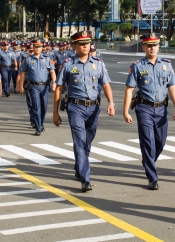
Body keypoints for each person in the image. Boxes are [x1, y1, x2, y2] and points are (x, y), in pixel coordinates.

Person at [53, 31, 115, 192]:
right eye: (81, 43)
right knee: (80, 140)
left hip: (94, 107)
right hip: (76, 107)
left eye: (87, 43)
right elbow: (59, 88)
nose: (85, 46)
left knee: (88, 140)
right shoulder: (68, 64)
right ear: (74, 46)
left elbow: (106, 84)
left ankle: (79, 165)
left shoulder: (98, 63)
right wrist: (55, 112)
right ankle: (85, 179)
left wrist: (111, 103)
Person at [123, 33, 175, 190]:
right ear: (143, 47)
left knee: (160, 141)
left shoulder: (166, 65)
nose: (152, 48)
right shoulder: (137, 66)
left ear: (158, 47)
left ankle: (148, 160)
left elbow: (172, 87)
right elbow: (129, 89)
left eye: (154, 45)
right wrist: (126, 111)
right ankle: (152, 177)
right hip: (144, 108)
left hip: (162, 108)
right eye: (149, 45)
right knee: (148, 142)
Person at [19, 40, 56, 136]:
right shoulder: (28, 60)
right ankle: (38, 127)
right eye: (36, 47)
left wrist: (54, 83)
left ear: (42, 48)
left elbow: (52, 71)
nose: (37, 48)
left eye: (39, 47)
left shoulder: (47, 59)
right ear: (33, 48)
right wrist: (21, 86)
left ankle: (41, 123)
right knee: (36, 106)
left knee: (44, 106)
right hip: (33, 86)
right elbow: (23, 73)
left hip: (44, 86)